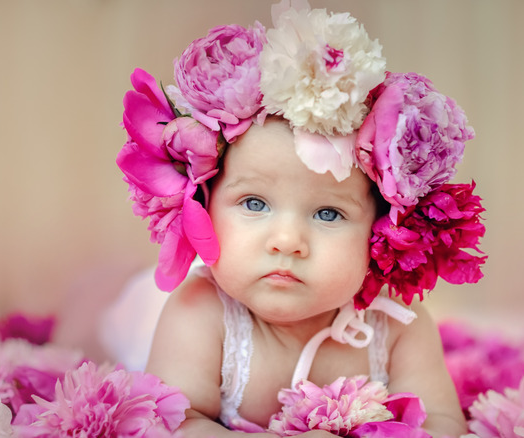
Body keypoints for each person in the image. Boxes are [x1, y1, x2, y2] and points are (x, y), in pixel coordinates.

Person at [116, 1, 485, 436]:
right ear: (204, 202)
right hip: (140, 311)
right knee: (106, 313)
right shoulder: (199, 313)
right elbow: (174, 424)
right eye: (254, 204)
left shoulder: (398, 325)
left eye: (328, 213)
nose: (287, 240)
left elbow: (444, 424)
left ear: (381, 231)